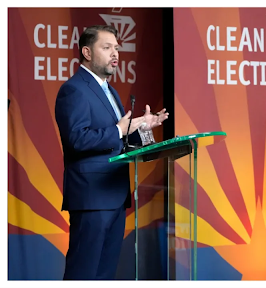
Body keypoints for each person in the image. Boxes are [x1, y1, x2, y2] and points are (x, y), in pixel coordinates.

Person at [55, 25, 169, 280]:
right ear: (86, 52)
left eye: (116, 48)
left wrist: (143, 129)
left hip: (116, 196)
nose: (115, 54)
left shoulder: (112, 92)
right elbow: (77, 139)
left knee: (105, 275)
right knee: (83, 274)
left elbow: (120, 141)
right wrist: (119, 129)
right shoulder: (74, 90)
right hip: (92, 197)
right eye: (106, 48)